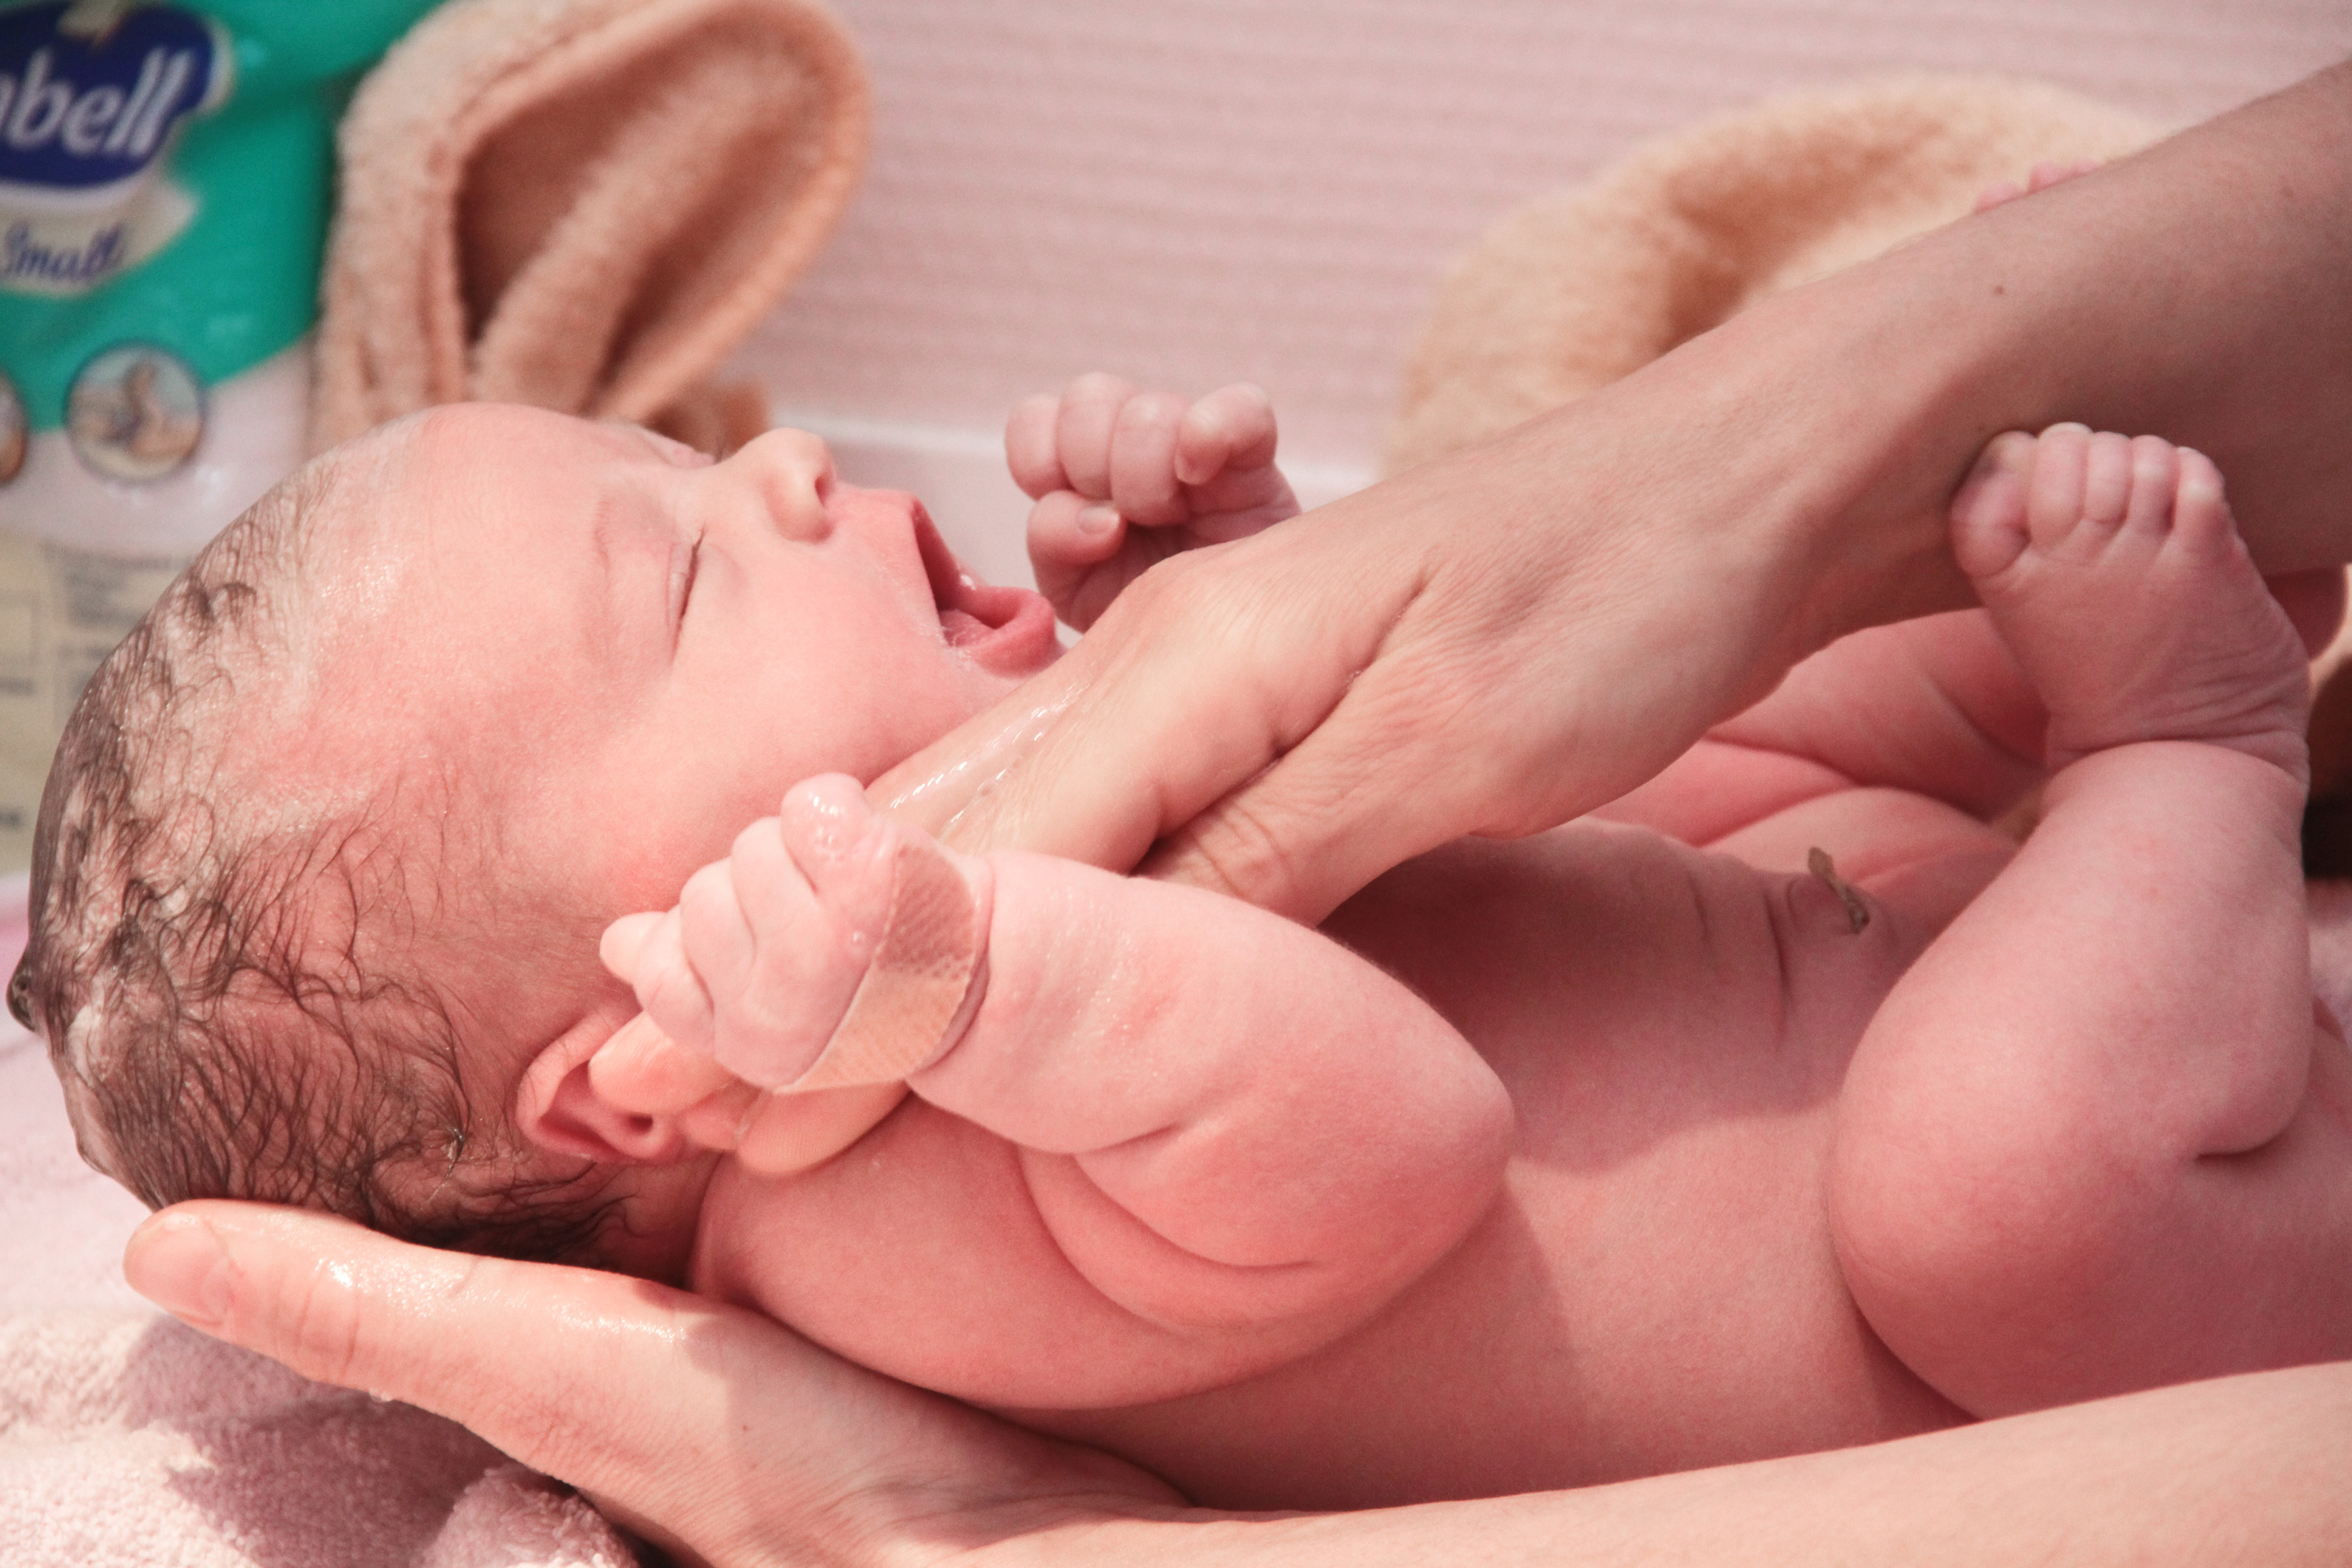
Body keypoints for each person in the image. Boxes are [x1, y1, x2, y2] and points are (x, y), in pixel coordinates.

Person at [108, 52, 2352, 1568]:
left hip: (1853, 913)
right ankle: (2196, 745)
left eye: (710, 463)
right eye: (685, 568)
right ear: (624, 1075)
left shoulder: (1005, 939)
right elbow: (1390, 1123)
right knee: (1990, 1176)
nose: (786, 467)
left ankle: (2070, 583)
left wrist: (1224, 594)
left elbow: (1395, 826)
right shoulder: (861, 1227)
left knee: (1702, 742)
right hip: (2056, 1296)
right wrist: (974, 975)